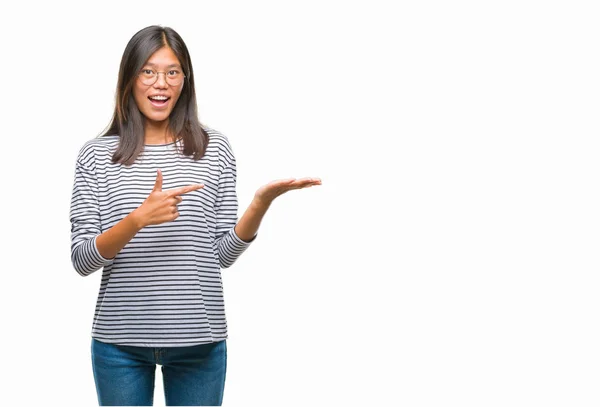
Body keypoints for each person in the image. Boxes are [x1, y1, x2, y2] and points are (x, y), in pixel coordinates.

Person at [69, 25, 321, 406]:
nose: (161, 83)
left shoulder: (214, 148)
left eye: (173, 72)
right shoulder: (96, 156)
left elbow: (221, 254)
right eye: (148, 71)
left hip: (199, 341)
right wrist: (138, 219)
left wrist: (260, 204)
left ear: (185, 80)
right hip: (119, 343)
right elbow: (82, 259)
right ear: (129, 79)